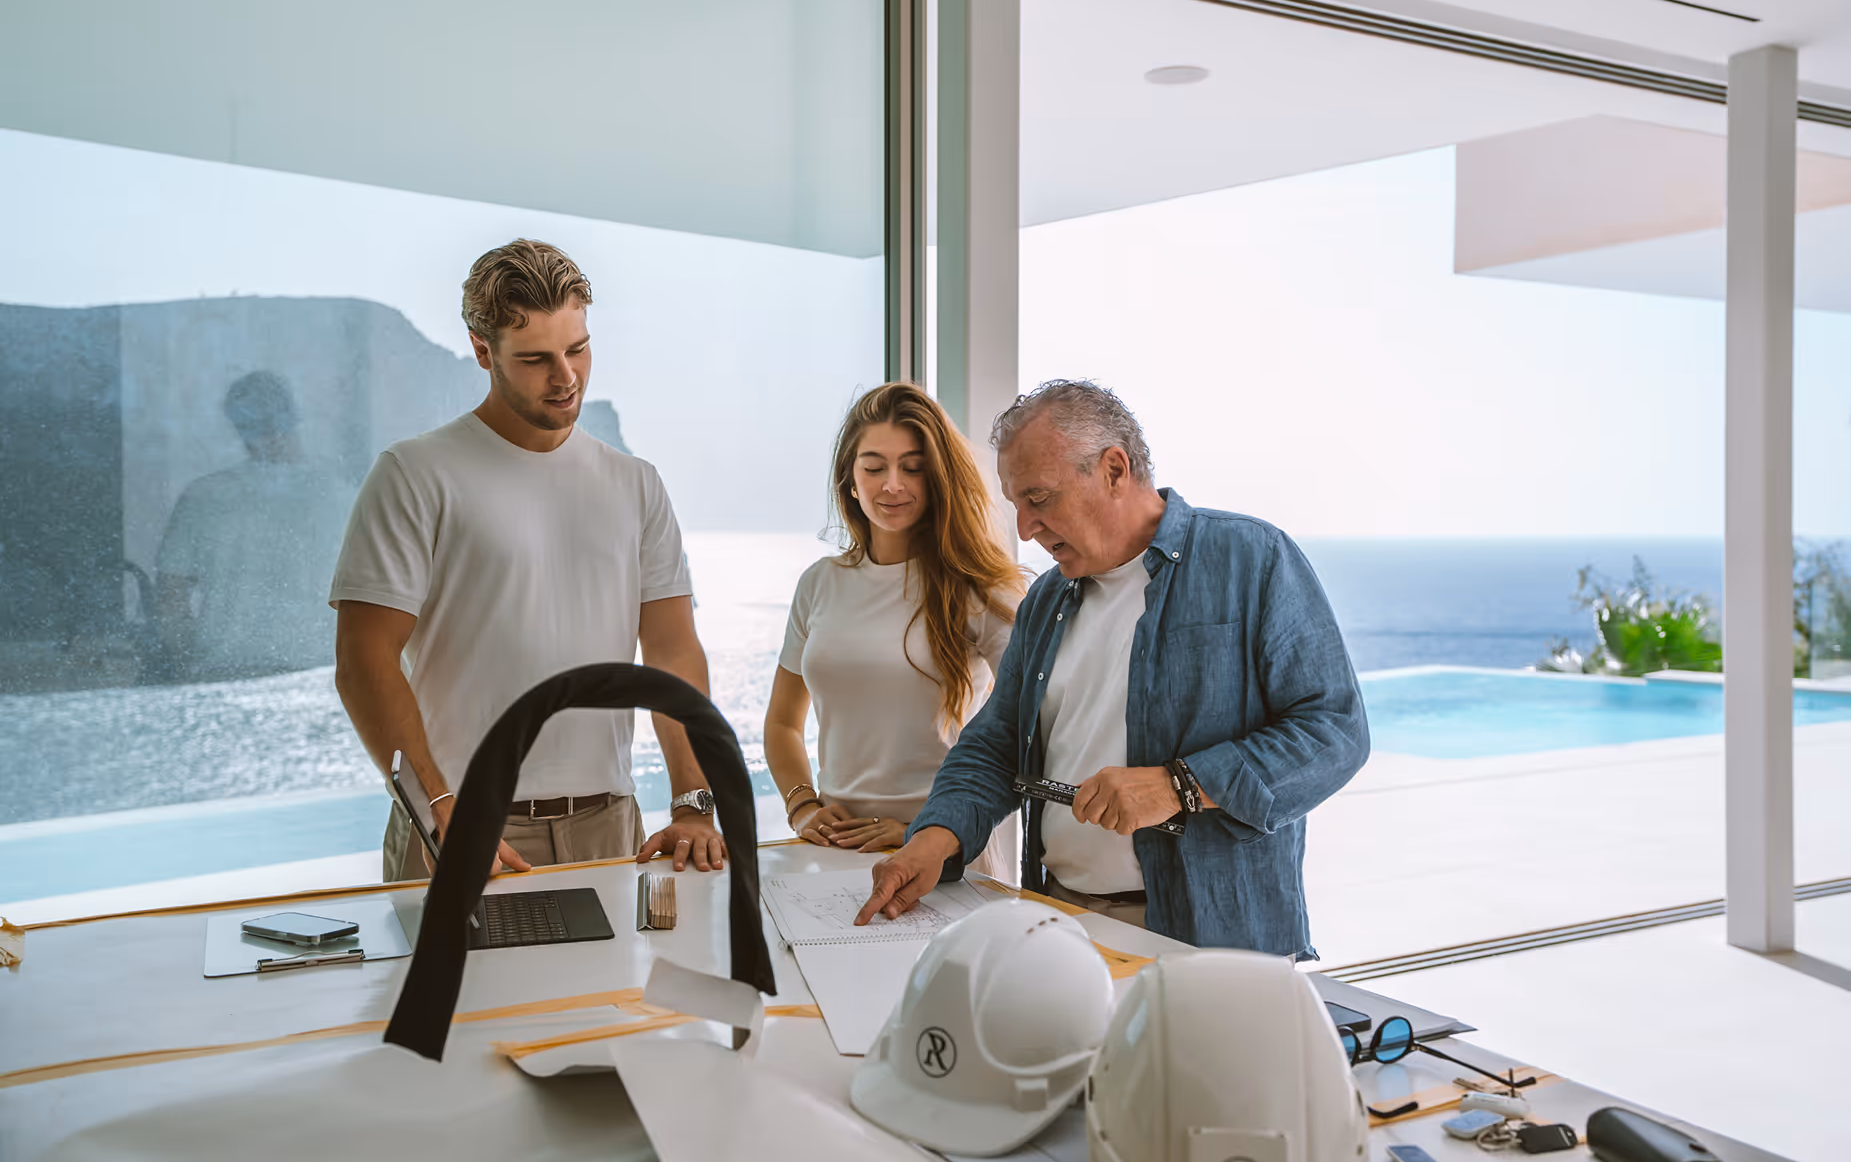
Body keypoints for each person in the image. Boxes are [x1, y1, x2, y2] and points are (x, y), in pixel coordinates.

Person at [856, 380, 1368, 958]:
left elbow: (1335, 733)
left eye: (1039, 498)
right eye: (1017, 504)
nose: (1024, 528)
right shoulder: (1046, 599)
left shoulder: (1253, 559)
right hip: (1058, 923)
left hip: (1211, 940)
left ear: (1114, 470)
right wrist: (934, 837)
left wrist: (1180, 786)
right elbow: (996, 743)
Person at [330, 239, 725, 881]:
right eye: (536, 358)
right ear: (483, 351)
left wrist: (693, 800)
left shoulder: (636, 484)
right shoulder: (414, 474)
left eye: (577, 349)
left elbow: (673, 651)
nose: (565, 377)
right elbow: (362, 662)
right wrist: (438, 812)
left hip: (607, 826)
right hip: (457, 824)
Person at [764, 383, 1025, 867]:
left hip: (944, 855)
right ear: (850, 478)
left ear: (938, 477)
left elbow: (1024, 729)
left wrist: (922, 832)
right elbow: (782, 723)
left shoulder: (982, 588)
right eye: (874, 467)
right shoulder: (819, 583)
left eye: (912, 467)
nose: (892, 485)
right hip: (835, 851)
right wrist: (802, 806)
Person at [155, 371, 353, 683]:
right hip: (317, 679)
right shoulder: (344, 500)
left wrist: (189, 666)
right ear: (294, 416)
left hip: (223, 676)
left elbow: (170, 600)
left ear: (237, 425)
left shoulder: (203, 497)